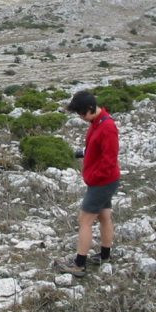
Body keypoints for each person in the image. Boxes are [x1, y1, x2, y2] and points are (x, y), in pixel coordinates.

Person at [55, 90, 121, 277]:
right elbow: (97, 149)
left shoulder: (107, 127)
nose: (81, 117)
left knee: (84, 221)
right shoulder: (96, 122)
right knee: (105, 216)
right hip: (104, 181)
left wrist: (93, 177)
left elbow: (110, 159)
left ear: (90, 109)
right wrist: (84, 154)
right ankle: (105, 255)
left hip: (102, 182)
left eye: (82, 113)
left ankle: (79, 264)